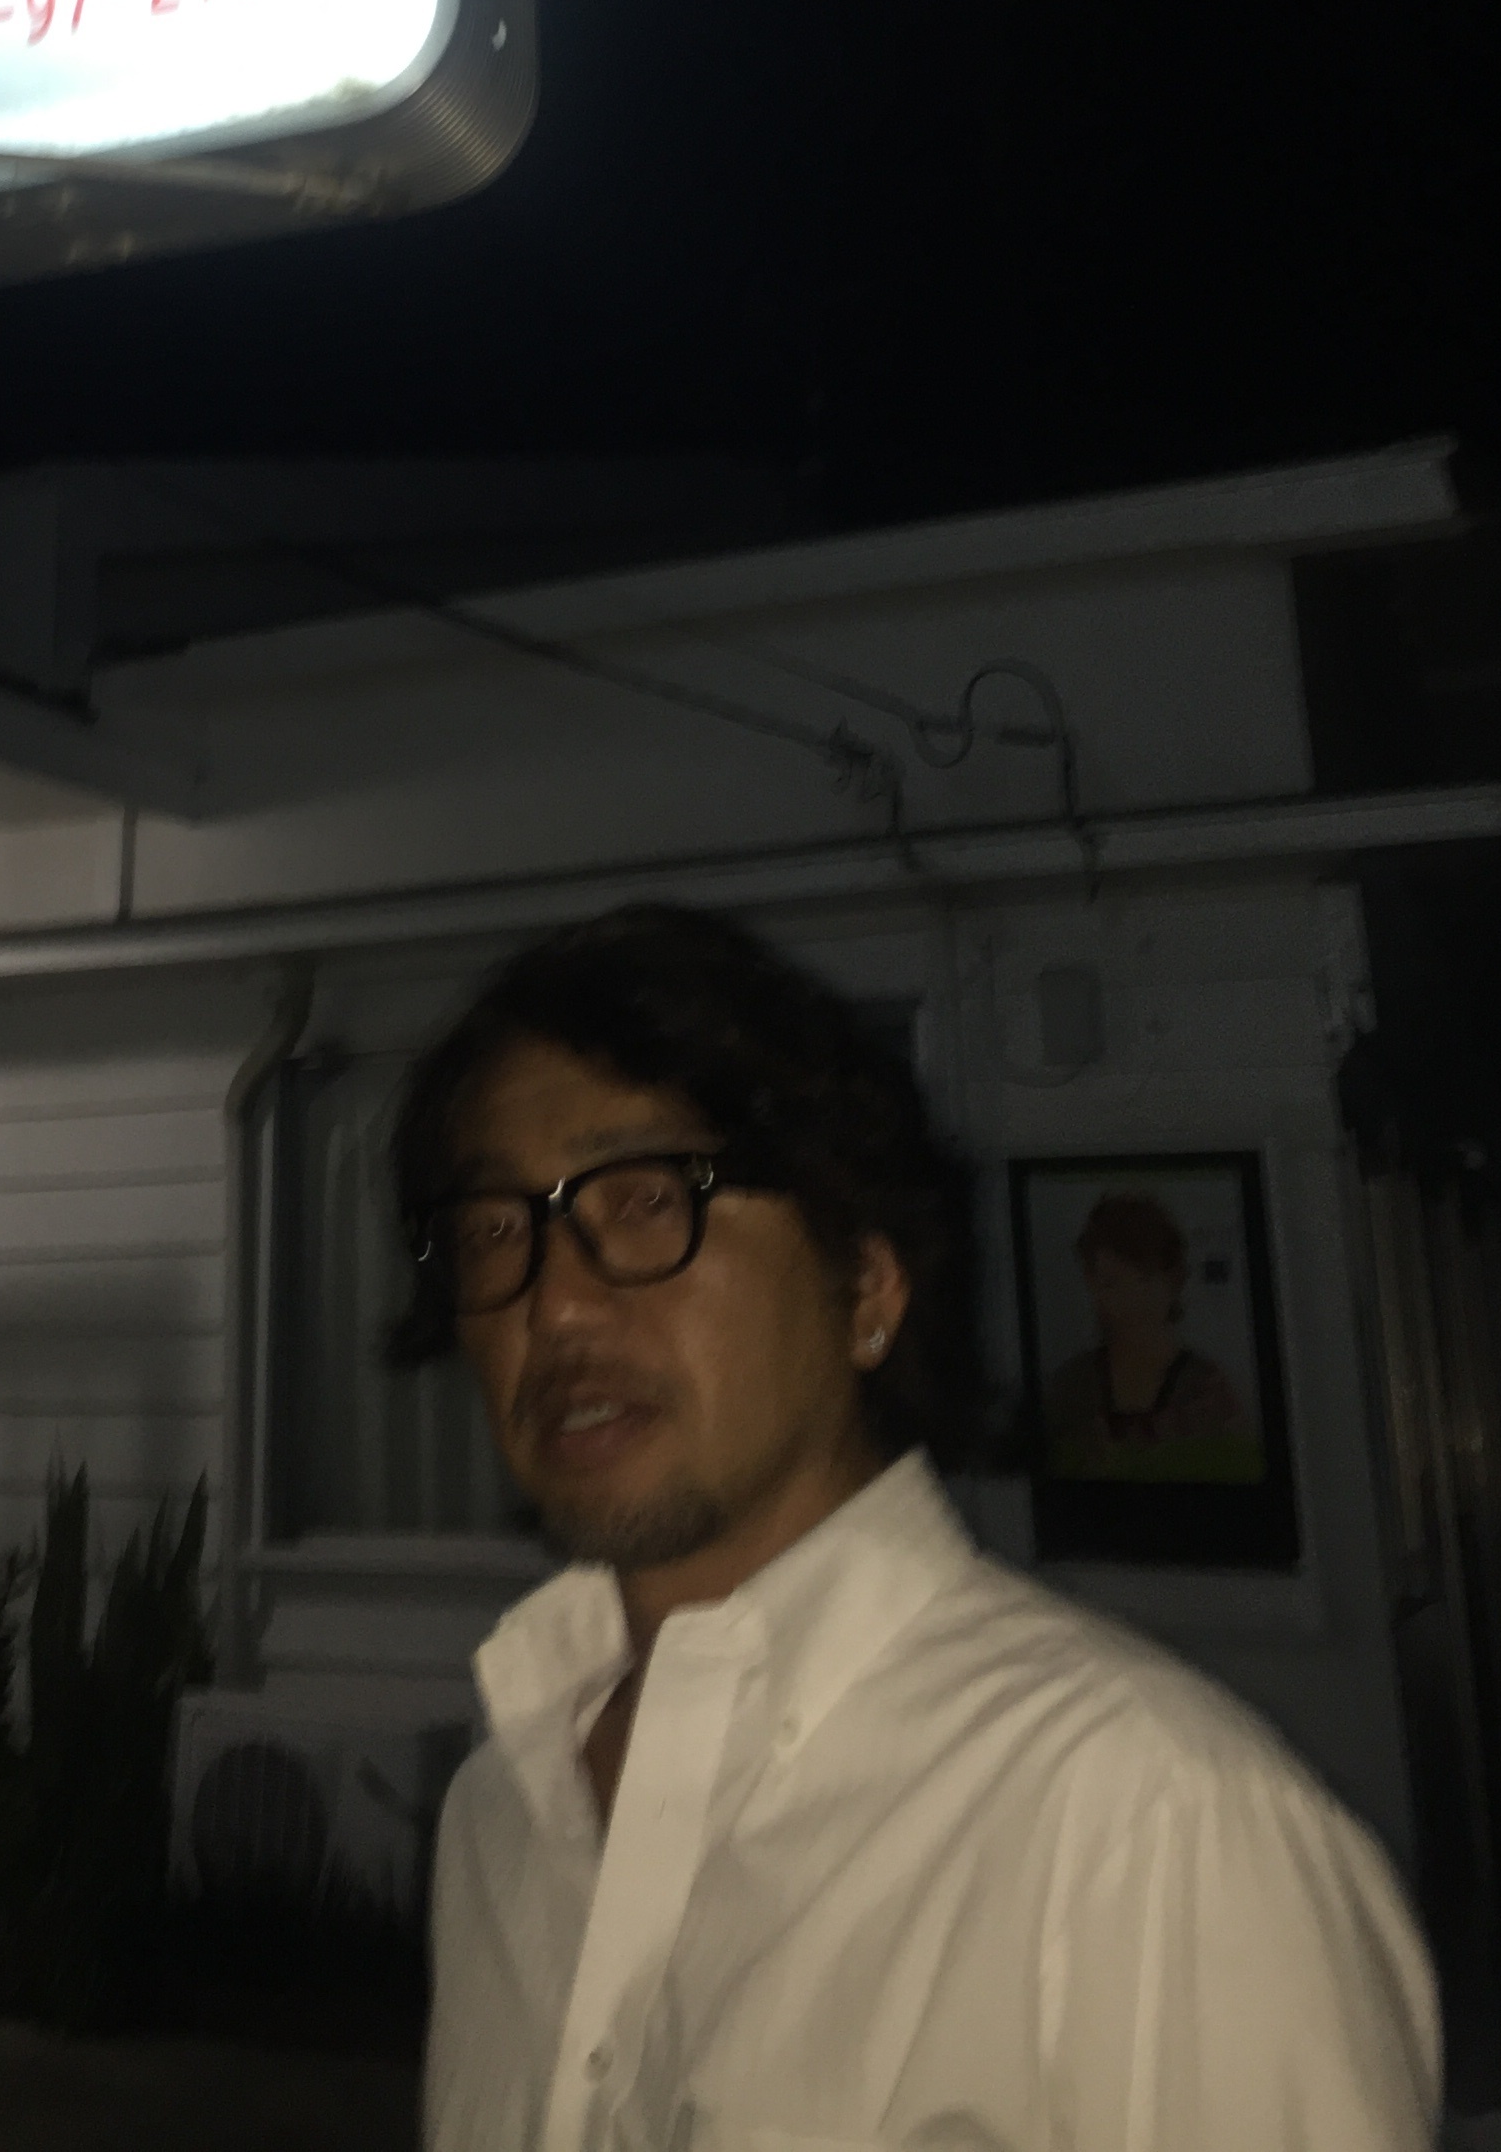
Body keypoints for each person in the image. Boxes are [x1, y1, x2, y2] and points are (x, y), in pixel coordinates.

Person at [393, 903, 1436, 2152]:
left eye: (648, 1200)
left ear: (867, 1292)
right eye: (493, 1231)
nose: (554, 1305)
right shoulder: (503, 1817)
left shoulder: (1150, 1825)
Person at [1043, 1187, 1258, 1478]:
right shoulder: (1070, 1387)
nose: (1129, 1300)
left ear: (1175, 1280)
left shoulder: (1208, 1392)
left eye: (1144, 1280)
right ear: (1092, 1287)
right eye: (1110, 1283)